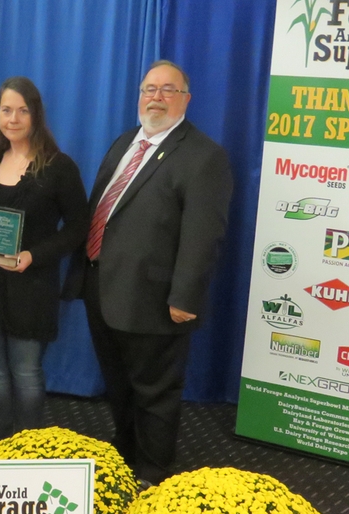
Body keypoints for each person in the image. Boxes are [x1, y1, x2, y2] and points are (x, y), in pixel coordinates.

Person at [64, 60, 232, 483]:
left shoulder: (203, 156)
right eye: (149, 89)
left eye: (168, 89)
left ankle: (153, 475)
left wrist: (185, 298)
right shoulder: (126, 142)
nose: (156, 97)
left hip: (157, 301)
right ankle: (126, 460)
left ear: (186, 100)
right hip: (103, 289)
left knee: (155, 394)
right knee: (119, 387)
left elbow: (203, 234)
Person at [0, 77, 88, 443]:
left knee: (26, 374)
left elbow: (79, 227)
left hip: (33, 286)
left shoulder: (58, 166)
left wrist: (34, 255)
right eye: (6, 110)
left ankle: (29, 454)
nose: (14, 118)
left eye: (23, 110)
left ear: (36, 114)